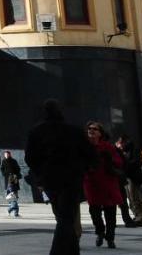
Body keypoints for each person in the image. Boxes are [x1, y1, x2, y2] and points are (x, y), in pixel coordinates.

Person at [25, 99, 95, 255]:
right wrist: (82, 168)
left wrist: (40, 174)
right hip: (71, 179)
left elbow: (30, 158)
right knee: (66, 217)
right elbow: (90, 155)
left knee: (63, 215)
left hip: (50, 179)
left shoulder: (36, 132)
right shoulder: (74, 131)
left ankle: (71, 250)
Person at [84, 122, 123, 249]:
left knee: (110, 212)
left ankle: (110, 237)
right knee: (94, 212)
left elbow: (119, 161)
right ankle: (100, 232)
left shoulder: (108, 147)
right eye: (89, 128)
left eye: (94, 129)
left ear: (100, 133)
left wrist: (110, 160)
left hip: (108, 183)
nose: (91, 130)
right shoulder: (85, 146)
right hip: (91, 183)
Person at [0, 150, 22, 217]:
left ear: (10, 154)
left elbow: (18, 169)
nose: (6, 155)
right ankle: (13, 210)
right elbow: (2, 169)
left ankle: (13, 210)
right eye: (5, 154)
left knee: (14, 195)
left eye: (7, 154)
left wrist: (15, 175)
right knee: (11, 195)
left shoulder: (14, 161)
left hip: (14, 179)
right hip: (8, 179)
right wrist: (5, 174)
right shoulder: (3, 161)